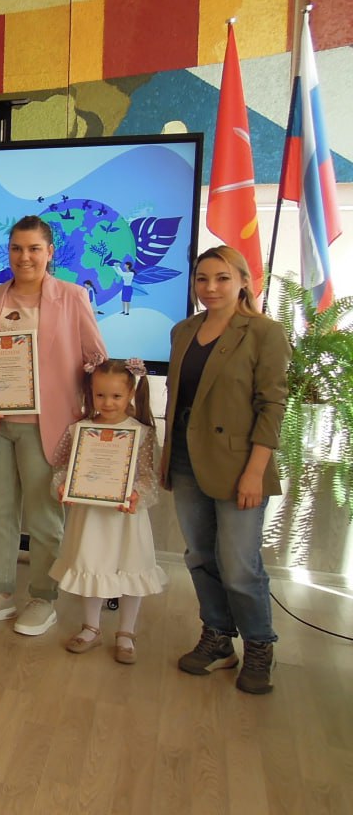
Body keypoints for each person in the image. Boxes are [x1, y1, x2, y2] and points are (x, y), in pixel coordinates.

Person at [0, 215, 107, 635]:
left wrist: (101, 414)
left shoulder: (73, 297)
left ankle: (44, 598)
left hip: (49, 426)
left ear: (49, 252)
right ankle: (0, 591)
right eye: (16, 248)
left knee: (45, 520)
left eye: (33, 249)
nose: (24, 257)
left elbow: (96, 359)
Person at [161, 245, 289, 695]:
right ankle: (217, 638)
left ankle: (259, 644)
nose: (210, 287)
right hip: (185, 458)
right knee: (199, 556)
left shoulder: (264, 332)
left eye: (221, 278)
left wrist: (255, 471)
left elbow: (272, 406)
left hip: (239, 464)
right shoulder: (182, 330)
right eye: (202, 279)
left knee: (239, 566)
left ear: (243, 282)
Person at [50, 358, 168, 663]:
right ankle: (91, 627)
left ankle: (126, 632)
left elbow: (148, 477)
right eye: (100, 395)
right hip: (90, 517)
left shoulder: (141, 433)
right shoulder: (79, 429)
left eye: (116, 396)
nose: (108, 402)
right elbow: (63, 468)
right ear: (90, 393)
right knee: (91, 566)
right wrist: (63, 487)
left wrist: (136, 495)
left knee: (130, 568)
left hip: (126, 518)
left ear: (130, 394)